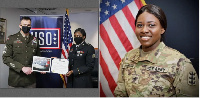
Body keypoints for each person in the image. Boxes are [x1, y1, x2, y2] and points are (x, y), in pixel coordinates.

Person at [114, 4, 199, 97]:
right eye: (139, 25)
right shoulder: (128, 58)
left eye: (151, 25)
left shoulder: (180, 63)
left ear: (162, 29)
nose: (144, 30)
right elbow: (120, 94)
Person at [2, 16, 41, 88]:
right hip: (16, 80)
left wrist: (41, 67)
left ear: (30, 26)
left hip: (30, 80)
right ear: (20, 26)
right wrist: (22, 68)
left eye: (28, 25)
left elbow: (38, 57)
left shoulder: (35, 40)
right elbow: (6, 58)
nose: (27, 27)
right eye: (24, 25)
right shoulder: (12, 38)